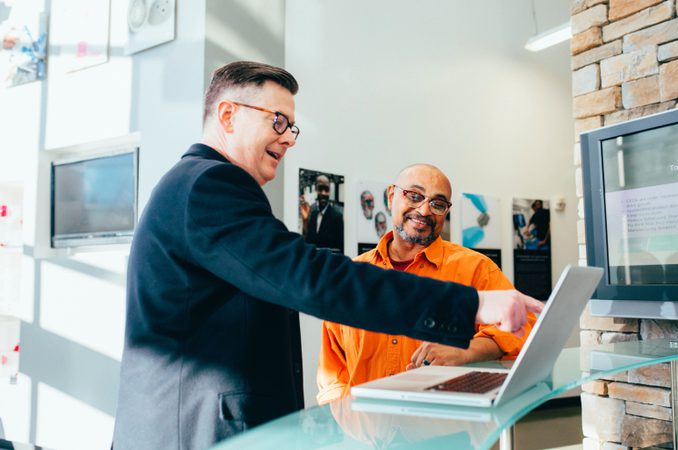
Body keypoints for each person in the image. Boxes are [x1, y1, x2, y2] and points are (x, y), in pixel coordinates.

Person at [112, 61, 543, 450]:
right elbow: (311, 279)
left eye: (292, 127)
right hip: (195, 432)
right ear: (228, 115)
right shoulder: (209, 186)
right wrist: (474, 303)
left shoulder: (196, 186)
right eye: (278, 121)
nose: (288, 138)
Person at [316, 165, 536, 404]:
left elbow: (523, 330)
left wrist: (465, 350)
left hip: (445, 430)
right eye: (414, 196)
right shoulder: (353, 277)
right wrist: (346, 424)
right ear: (391, 196)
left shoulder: (476, 268)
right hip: (367, 433)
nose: (424, 210)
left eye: (438, 204)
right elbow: (332, 371)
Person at [299, 174, 344, 252]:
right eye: (320, 189)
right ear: (316, 190)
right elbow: (308, 242)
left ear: (329, 192)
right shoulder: (313, 214)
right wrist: (305, 221)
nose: (323, 193)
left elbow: (340, 249)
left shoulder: (337, 217)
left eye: (326, 189)